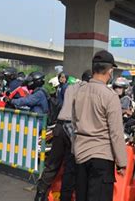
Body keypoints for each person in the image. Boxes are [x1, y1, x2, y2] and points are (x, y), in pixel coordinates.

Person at [72, 50, 127, 201]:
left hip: (80, 155)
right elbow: (116, 132)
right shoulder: (110, 96)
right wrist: (122, 162)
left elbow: (74, 122)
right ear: (110, 71)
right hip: (102, 157)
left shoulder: (79, 91)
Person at [34, 70, 92, 201]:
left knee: (52, 163)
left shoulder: (70, 87)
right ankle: (65, 197)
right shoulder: (89, 91)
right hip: (72, 130)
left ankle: (39, 194)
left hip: (59, 127)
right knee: (70, 167)